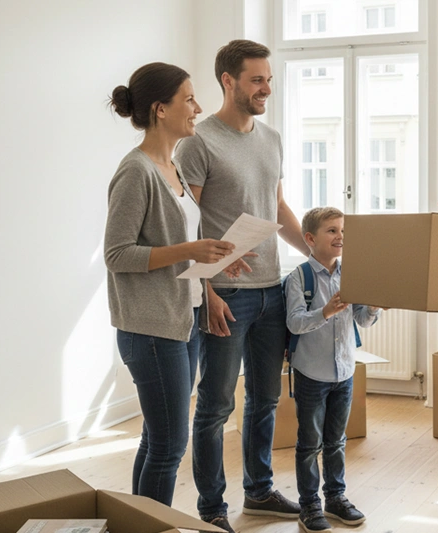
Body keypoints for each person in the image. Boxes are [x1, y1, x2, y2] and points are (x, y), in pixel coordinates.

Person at [175, 39, 308, 532]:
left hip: (272, 287)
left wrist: (318, 253)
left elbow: (277, 207)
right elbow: (187, 223)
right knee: (215, 404)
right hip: (225, 294)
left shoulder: (271, 138)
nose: (266, 88)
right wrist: (205, 290)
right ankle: (212, 508)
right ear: (228, 82)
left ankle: (259, 491)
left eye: (269, 79)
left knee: (267, 398)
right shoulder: (198, 141)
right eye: (256, 80)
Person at [104, 62, 248, 506]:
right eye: (189, 98)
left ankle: (139, 522)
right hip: (149, 330)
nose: (198, 107)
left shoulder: (174, 168)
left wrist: (214, 265)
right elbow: (117, 254)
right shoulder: (137, 172)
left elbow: (181, 244)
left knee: (156, 437)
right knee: (169, 446)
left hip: (180, 321)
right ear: (160, 109)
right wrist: (190, 251)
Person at [285, 207, 382, 533]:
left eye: (343, 230)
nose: (340, 236)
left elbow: (362, 320)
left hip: (344, 371)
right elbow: (295, 323)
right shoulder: (299, 277)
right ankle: (310, 505)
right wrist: (325, 312)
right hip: (311, 374)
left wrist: (374, 305)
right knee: (310, 442)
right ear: (310, 239)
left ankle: (336, 497)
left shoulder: (350, 273)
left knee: (337, 441)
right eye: (331, 230)